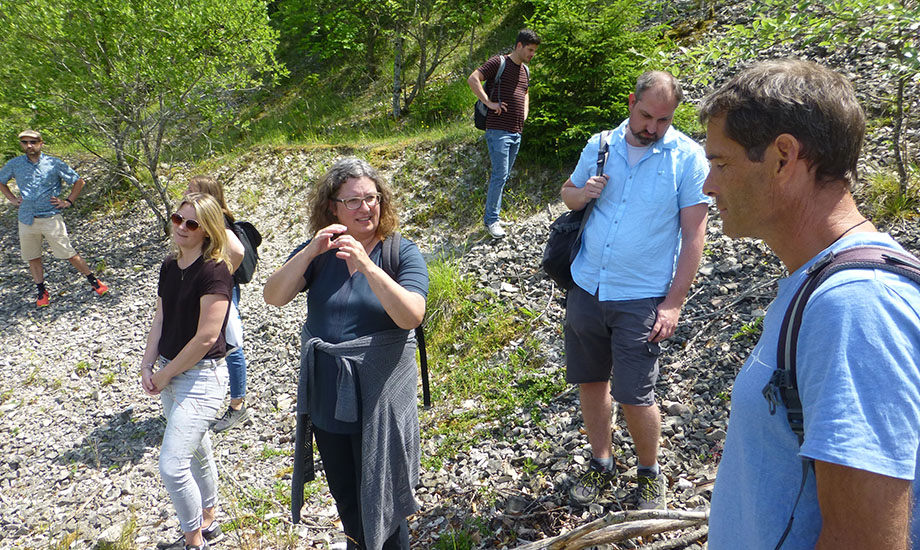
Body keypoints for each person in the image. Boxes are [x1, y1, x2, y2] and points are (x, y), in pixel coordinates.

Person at [701, 59, 920, 549]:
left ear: (783, 157)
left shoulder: (855, 306)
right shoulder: (821, 287)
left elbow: (864, 542)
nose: (708, 186)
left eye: (721, 163)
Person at [561, 71, 710, 509]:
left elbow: (695, 236)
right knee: (590, 381)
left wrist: (674, 303)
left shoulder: (687, 158)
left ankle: (649, 473)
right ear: (631, 103)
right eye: (646, 115)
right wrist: (583, 193)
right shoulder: (601, 145)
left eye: (663, 120)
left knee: (635, 393)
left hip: (641, 297)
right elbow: (567, 195)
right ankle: (601, 463)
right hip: (587, 286)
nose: (652, 127)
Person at [263, 157, 428, 549]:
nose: (365, 208)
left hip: (381, 404)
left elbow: (411, 316)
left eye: (371, 198)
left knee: (386, 504)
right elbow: (274, 296)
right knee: (349, 503)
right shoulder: (318, 253)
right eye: (352, 201)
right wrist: (307, 253)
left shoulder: (400, 253)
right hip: (329, 401)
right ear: (332, 207)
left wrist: (368, 266)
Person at [141, 193, 233, 550]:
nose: (181, 227)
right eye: (178, 219)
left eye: (191, 223)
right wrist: (149, 364)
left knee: (172, 466)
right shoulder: (169, 265)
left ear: (207, 230)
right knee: (198, 452)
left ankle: (194, 540)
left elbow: (206, 337)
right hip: (169, 371)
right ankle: (209, 521)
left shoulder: (214, 270)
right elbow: (160, 318)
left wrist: (164, 376)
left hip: (202, 377)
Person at [0, 130, 108, 306]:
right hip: (26, 218)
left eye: (33, 142)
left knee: (68, 253)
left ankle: (94, 281)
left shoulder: (53, 163)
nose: (29, 145)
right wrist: (12, 199)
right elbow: (1, 181)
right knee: (33, 256)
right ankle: (41, 291)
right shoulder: (14, 164)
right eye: (25, 142)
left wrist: (68, 201)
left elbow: (78, 181)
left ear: (41, 143)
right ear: (21, 144)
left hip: (51, 217)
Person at [185, 176, 251, 433]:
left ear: (205, 194)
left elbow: (237, 252)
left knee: (232, 345)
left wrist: (219, 277)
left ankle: (237, 406)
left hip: (220, 291)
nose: (185, 193)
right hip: (209, 290)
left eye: (191, 190)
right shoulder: (208, 217)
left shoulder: (218, 220)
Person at [467, 29, 540, 239]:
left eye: (534, 51)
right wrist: (488, 103)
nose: (532, 54)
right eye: (530, 50)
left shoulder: (525, 70)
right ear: (519, 45)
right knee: (499, 175)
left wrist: (525, 113)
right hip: (498, 130)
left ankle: (495, 215)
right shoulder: (499, 62)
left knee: (504, 175)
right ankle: (491, 221)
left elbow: (525, 92)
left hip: (517, 130)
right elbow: (473, 79)